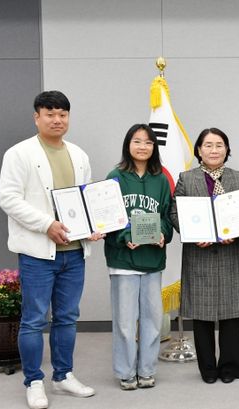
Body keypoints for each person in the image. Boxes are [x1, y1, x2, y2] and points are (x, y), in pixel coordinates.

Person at [0, 91, 103, 409]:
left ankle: (63, 375)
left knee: (67, 317)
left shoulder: (79, 155)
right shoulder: (19, 154)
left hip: (74, 251)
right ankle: (33, 381)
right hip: (38, 254)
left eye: (63, 114)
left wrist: (93, 225)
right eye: (50, 114)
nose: (57, 120)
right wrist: (47, 224)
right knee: (33, 319)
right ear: (37, 117)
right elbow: (9, 199)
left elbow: (85, 199)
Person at [170, 128, 239, 384]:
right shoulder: (187, 178)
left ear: (227, 149)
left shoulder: (238, 178)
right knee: (201, 314)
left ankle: (230, 367)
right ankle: (207, 368)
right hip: (199, 253)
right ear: (199, 150)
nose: (214, 150)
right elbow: (174, 212)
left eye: (219, 145)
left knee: (230, 313)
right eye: (208, 145)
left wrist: (237, 233)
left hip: (230, 253)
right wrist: (192, 234)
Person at [103, 124, 173, 390]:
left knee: (152, 320)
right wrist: (125, 236)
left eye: (148, 142)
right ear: (128, 145)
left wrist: (163, 234)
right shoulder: (115, 177)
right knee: (124, 322)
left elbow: (167, 217)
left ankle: (146, 370)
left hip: (153, 259)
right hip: (123, 261)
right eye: (137, 141)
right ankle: (125, 372)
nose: (142, 146)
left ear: (154, 147)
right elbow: (106, 217)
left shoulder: (161, 179)